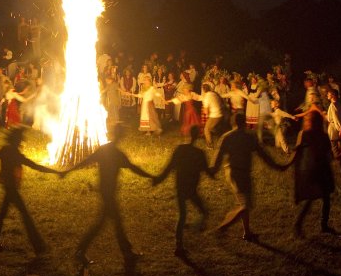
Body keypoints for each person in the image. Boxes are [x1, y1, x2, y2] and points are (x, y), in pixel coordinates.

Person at [63, 123, 152, 267]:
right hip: (108, 192)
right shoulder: (116, 154)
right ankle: (83, 251)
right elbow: (133, 168)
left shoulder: (105, 150)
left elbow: (86, 161)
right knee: (109, 224)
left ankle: (126, 253)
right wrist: (151, 176)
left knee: (112, 223)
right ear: (120, 135)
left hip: (105, 191)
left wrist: (68, 171)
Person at [0, 128, 60, 256]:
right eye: (20, 139)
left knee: (3, 214)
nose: (22, 141)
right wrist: (56, 172)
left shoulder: (5, 149)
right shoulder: (15, 154)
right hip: (12, 189)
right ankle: (38, 246)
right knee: (25, 216)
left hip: (7, 186)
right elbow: (35, 166)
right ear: (17, 140)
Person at [209, 113, 285, 241]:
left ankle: (247, 233)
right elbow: (263, 155)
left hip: (232, 172)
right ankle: (222, 227)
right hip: (241, 173)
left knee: (244, 202)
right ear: (244, 123)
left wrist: (212, 171)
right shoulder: (249, 137)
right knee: (245, 205)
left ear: (233, 123)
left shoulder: (226, 137)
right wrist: (277, 166)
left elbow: (218, 158)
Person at [153, 125, 210, 257]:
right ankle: (192, 230)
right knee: (203, 212)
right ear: (198, 135)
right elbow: (208, 171)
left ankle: (180, 245)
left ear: (189, 134)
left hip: (181, 187)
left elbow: (169, 167)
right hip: (191, 189)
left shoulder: (180, 149)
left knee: (183, 215)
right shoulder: (199, 153)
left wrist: (159, 179)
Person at [282, 110, 335, 237]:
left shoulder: (303, 134)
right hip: (321, 169)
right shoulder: (323, 135)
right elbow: (329, 154)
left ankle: (299, 224)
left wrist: (288, 164)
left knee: (311, 199)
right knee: (326, 198)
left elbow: (297, 151)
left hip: (310, 169)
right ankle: (323, 224)